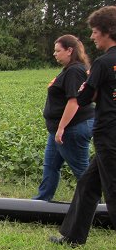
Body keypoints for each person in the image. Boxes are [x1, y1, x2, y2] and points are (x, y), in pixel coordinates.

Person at [51, 6, 116, 246]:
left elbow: (84, 97)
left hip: (108, 133)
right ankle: (73, 237)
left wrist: (92, 90)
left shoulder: (102, 63)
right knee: (88, 184)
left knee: (112, 191)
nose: (91, 37)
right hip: (109, 134)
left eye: (95, 31)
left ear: (107, 31)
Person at [33, 35, 95, 201]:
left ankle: (96, 209)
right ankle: (42, 201)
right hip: (59, 129)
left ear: (69, 51)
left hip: (72, 128)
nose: (55, 54)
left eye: (58, 51)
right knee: (50, 166)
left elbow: (74, 102)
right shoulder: (69, 69)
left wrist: (61, 128)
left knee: (81, 169)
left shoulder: (75, 71)